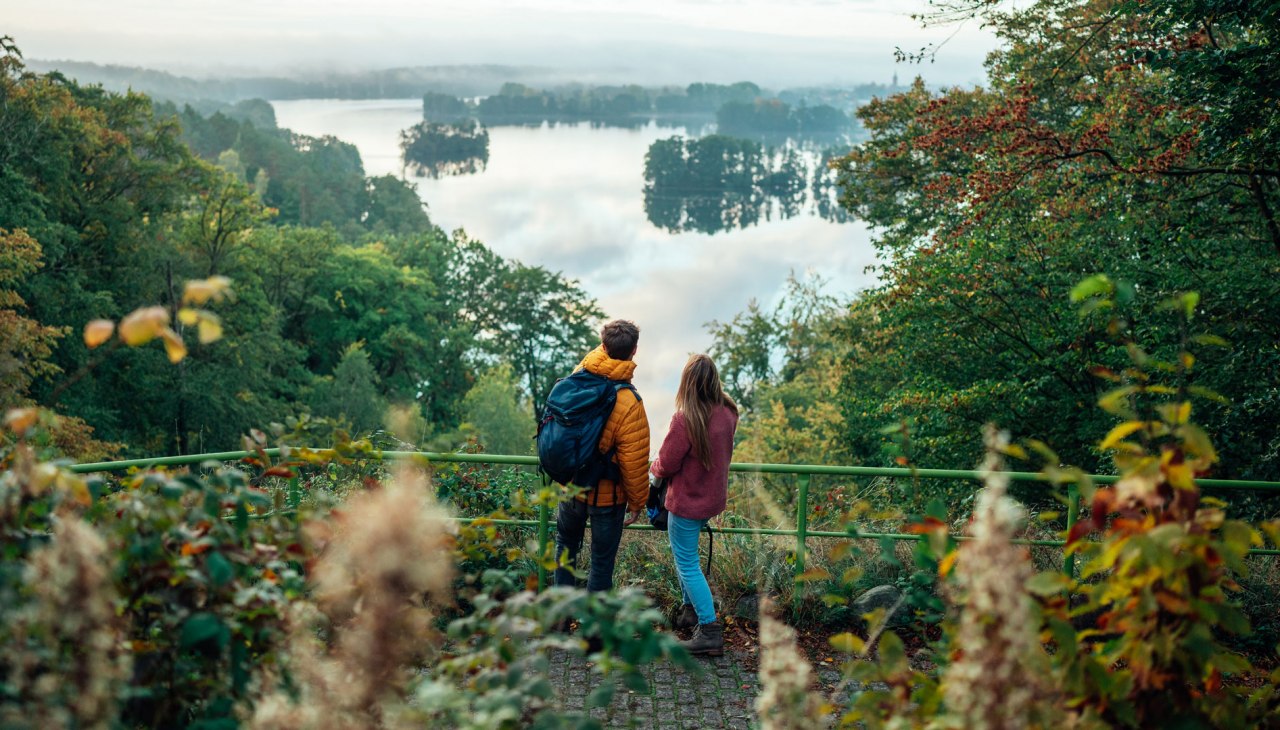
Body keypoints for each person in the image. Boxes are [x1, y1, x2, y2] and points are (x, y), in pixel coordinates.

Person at [553, 319, 651, 595]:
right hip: (607, 498)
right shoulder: (631, 403)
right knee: (601, 563)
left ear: (603, 346)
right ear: (635, 351)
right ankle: (594, 632)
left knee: (565, 552)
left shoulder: (578, 376)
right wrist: (637, 502)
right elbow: (633, 463)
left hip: (570, 487)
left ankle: (558, 623)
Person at [650, 354, 738, 656]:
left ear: (687, 383)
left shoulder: (685, 418)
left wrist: (654, 472)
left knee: (687, 564)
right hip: (711, 499)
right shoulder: (728, 412)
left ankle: (709, 629)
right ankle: (690, 611)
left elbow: (666, 463)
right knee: (687, 558)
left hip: (687, 502)